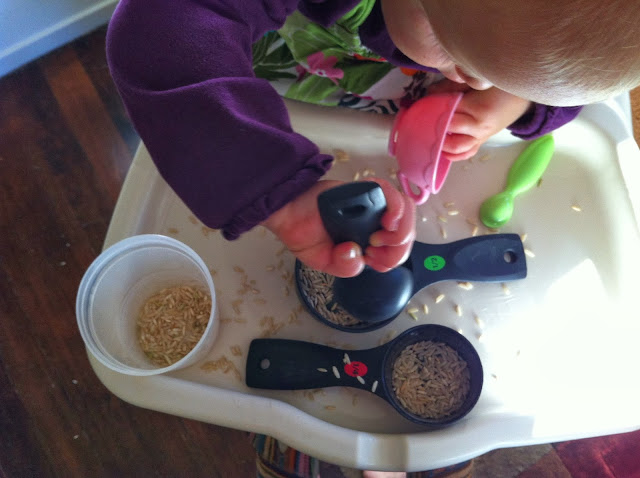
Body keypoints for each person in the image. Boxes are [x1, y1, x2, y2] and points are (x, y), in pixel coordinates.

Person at [106, 1, 640, 477]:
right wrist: (276, 189)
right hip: (253, 125)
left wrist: (514, 100)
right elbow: (156, 36)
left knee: (439, 435)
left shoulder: (507, 52)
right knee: (295, 415)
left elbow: (575, 81)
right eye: (459, 56)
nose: (473, 82)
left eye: (492, 72)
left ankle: (393, 452)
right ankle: (299, 437)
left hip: (400, 126)